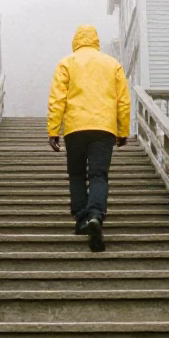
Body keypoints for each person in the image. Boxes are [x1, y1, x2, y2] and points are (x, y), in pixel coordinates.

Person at [46, 25, 131, 253]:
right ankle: (96, 216)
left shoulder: (67, 62)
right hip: (104, 129)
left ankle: (82, 219)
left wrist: (54, 130)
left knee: (76, 174)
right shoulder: (112, 64)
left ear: (76, 40)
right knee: (98, 175)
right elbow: (123, 100)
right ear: (96, 41)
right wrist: (123, 130)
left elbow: (57, 98)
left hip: (75, 128)